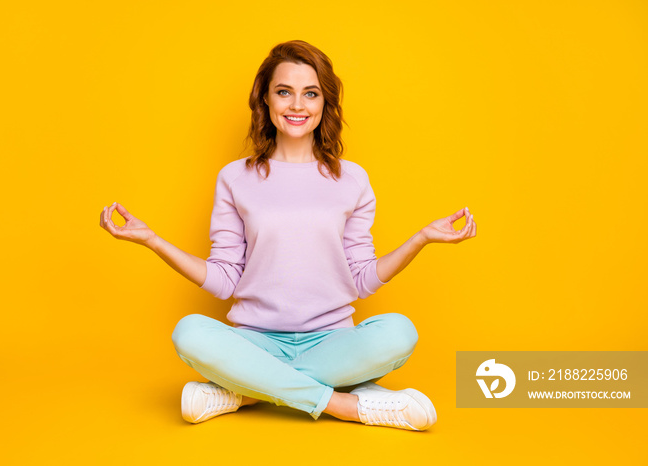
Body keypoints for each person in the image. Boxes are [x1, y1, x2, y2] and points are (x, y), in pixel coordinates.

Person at [99, 40, 477, 432]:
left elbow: (362, 279)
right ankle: (345, 404)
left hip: (332, 342)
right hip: (255, 342)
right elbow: (224, 279)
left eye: (310, 94)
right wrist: (153, 240)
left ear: (324, 103)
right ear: (265, 100)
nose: (297, 105)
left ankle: (244, 392)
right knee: (189, 332)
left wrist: (421, 239)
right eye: (284, 92)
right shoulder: (234, 177)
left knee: (400, 332)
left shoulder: (353, 179)